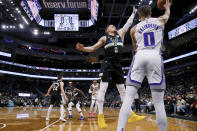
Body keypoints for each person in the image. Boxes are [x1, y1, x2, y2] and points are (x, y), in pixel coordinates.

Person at [76, 6, 144, 129]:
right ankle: (100, 116)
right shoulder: (104, 38)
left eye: (114, 26)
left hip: (118, 65)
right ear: (107, 30)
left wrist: (133, 13)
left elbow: (128, 24)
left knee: (123, 91)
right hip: (107, 64)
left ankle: (131, 114)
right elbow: (93, 48)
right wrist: (83, 48)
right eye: (111, 26)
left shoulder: (121, 34)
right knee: (103, 89)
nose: (114, 26)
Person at [117, 1, 172, 130]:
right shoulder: (160, 20)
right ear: (151, 13)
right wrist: (167, 6)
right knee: (159, 103)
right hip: (155, 57)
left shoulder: (133, 29)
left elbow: (135, 47)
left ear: (139, 16)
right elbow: (167, 15)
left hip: (140, 56)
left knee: (128, 98)